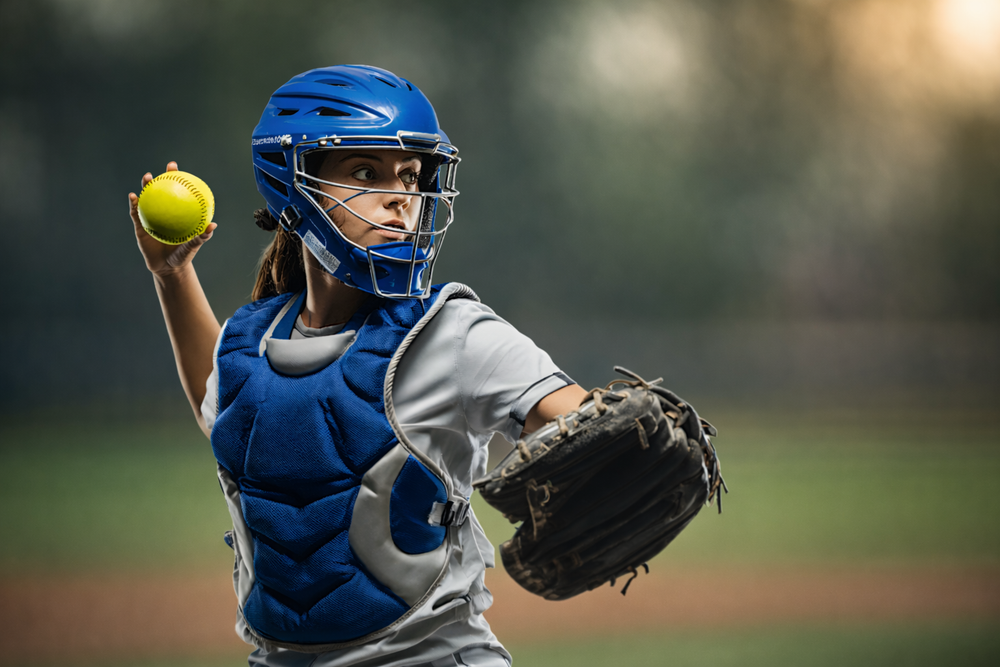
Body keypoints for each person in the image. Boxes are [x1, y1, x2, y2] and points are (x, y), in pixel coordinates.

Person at [128, 64, 587, 667]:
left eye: (413, 175)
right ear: (294, 186)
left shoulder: (451, 331)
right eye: (366, 172)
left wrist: (601, 445)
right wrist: (172, 273)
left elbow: (577, 417)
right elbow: (226, 412)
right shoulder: (251, 341)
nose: (402, 197)